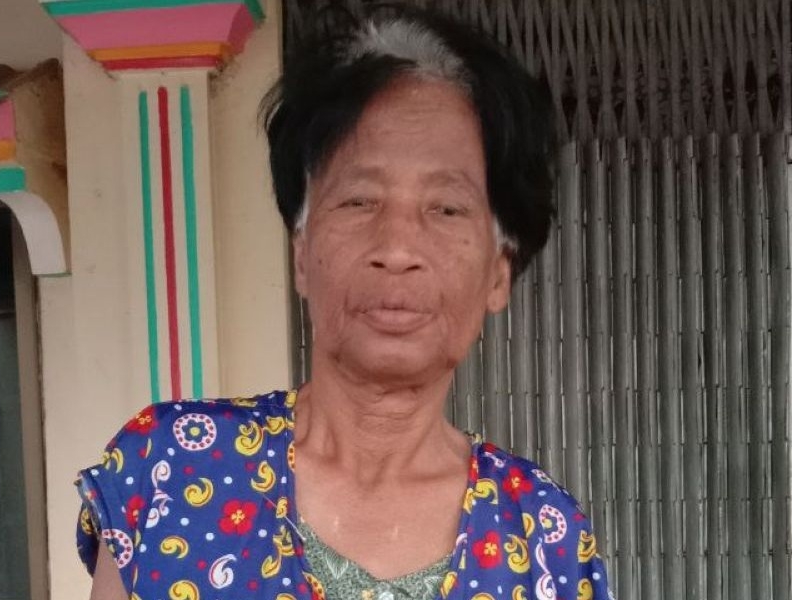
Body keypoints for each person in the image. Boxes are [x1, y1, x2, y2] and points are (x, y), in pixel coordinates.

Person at [78, 6, 612, 599]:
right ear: (302, 253)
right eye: (359, 201)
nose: (398, 248)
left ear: (498, 273)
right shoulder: (169, 469)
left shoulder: (546, 539)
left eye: (446, 208)